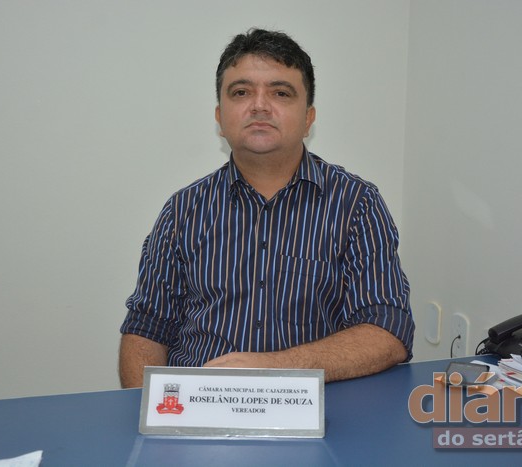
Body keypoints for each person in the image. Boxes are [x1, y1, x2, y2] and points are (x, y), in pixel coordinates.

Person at [119, 28, 414, 387]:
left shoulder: (356, 204)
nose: (259, 105)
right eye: (241, 92)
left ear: (308, 118)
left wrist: (274, 368)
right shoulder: (183, 210)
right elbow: (146, 329)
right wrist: (154, 411)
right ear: (220, 116)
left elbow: (387, 330)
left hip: (315, 407)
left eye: (280, 92)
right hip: (199, 405)